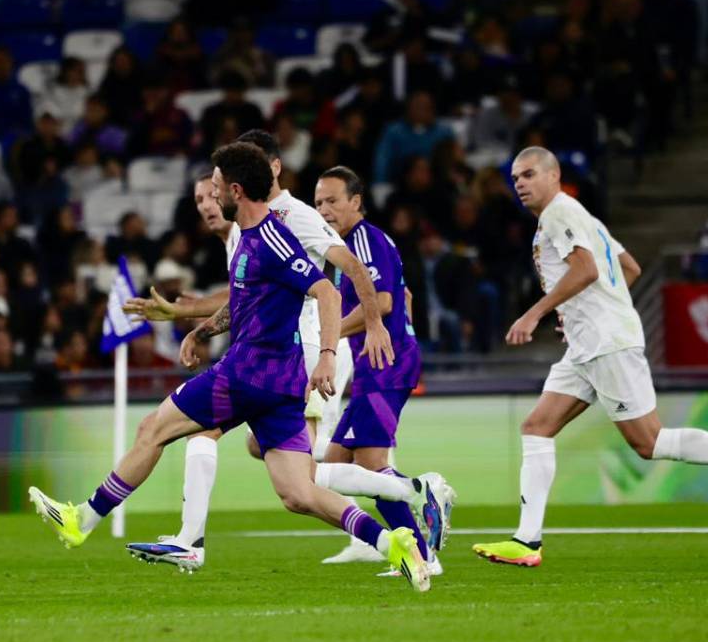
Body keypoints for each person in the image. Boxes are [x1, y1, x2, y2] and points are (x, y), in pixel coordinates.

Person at [29, 142, 432, 591]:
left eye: (216, 186)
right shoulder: (252, 237)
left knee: (154, 430)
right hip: (278, 385)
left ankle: (82, 519)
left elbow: (328, 291)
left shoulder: (274, 238)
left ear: (236, 190)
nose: (210, 195)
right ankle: (392, 542)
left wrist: (328, 355)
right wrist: (201, 329)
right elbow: (246, 305)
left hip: (247, 374)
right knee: (300, 493)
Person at [472, 147, 708, 568]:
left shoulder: (559, 214)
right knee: (537, 426)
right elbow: (628, 268)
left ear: (553, 175)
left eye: (529, 174)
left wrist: (535, 313)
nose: (519, 182)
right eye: (515, 177)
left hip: (607, 344)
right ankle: (527, 540)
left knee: (650, 443)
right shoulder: (582, 217)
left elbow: (588, 270)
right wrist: (587, 310)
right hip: (588, 343)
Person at [314, 166, 452, 575]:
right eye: (319, 202)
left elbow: (386, 300)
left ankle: (421, 494)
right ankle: (412, 548)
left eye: (333, 200)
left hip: (385, 364)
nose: (324, 209)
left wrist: (330, 334)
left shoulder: (362, 241)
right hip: (378, 364)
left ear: (356, 202)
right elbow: (403, 294)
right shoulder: (347, 245)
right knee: (336, 466)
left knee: (371, 466)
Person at [373, 90, 453, 184]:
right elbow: (382, 161)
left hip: (437, 184)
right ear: (408, 109)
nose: (422, 112)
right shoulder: (393, 132)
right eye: (418, 107)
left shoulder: (444, 132)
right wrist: (381, 184)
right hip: (399, 185)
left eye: (426, 108)